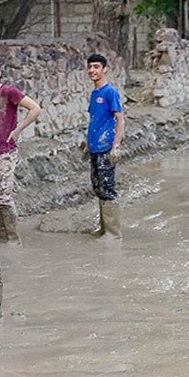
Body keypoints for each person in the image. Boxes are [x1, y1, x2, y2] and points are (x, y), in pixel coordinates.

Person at [0, 57, 43, 244]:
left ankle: (14, 239)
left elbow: (35, 108)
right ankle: (0, 236)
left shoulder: (8, 92)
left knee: (3, 197)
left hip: (6, 152)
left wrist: (18, 129)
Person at [85, 53, 125, 238]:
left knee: (108, 188)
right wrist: (87, 144)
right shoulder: (94, 94)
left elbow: (120, 119)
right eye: (90, 67)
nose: (92, 70)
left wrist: (116, 145)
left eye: (96, 67)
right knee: (98, 186)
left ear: (104, 69)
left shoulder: (110, 92)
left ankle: (113, 233)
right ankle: (103, 228)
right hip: (95, 147)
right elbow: (95, 120)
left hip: (106, 147)